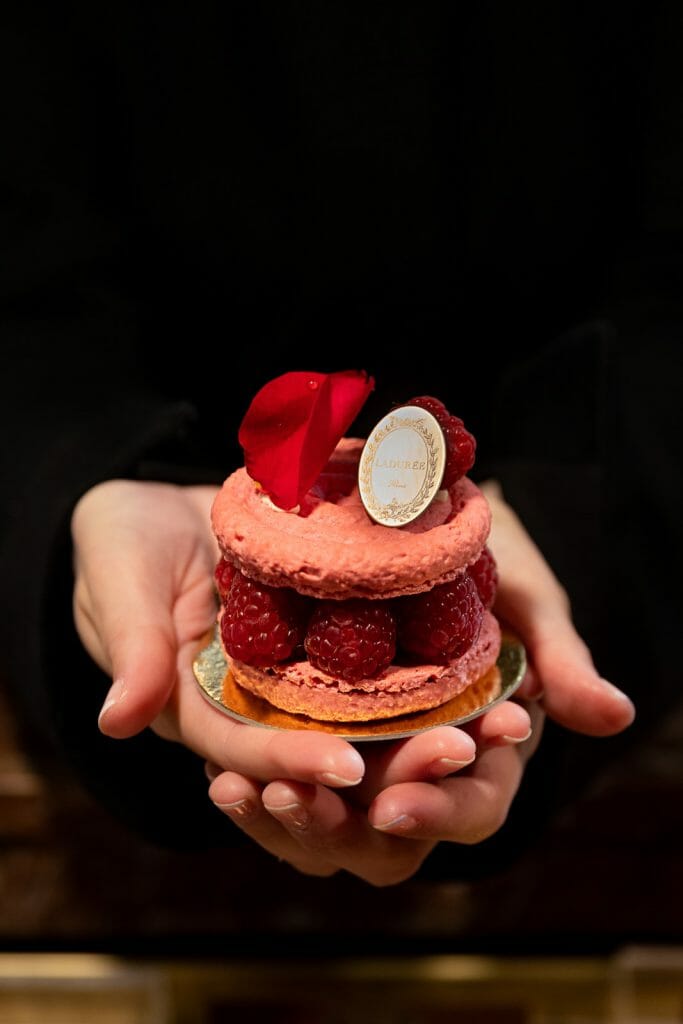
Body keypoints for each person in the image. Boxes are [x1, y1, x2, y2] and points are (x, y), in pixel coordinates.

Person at [1, 2, 677, 888]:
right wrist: (83, 480)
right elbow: (24, 272)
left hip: (601, 497)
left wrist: (576, 531)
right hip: (158, 478)